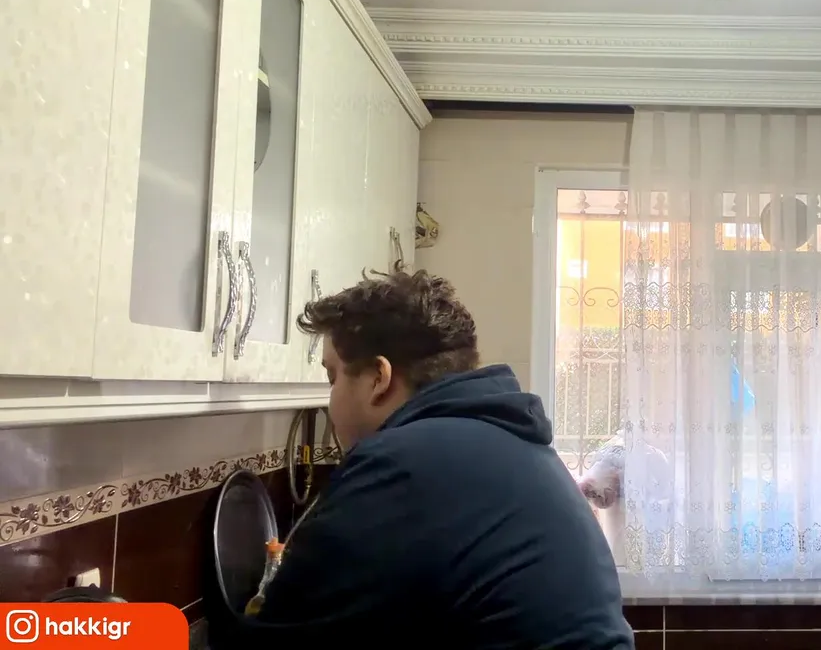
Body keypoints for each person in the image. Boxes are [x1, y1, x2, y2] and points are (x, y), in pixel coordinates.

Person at [234, 270, 634, 649]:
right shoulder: (512, 441)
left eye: (332, 377)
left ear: (378, 378)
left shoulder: (399, 465)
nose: (331, 400)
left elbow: (280, 636)